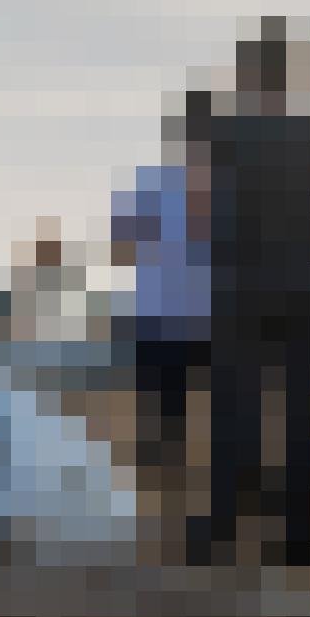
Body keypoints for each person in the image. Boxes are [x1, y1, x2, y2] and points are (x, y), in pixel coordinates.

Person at [194, 18, 310, 569]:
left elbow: (198, 208)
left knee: (233, 415)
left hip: (237, 285)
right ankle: (295, 539)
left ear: (245, 75)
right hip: (295, 282)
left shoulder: (222, 134)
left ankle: (221, 533)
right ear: (291, 75)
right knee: (297, 418)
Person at [111, 93, 215, 526]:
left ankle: (171, 509)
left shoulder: (152, 183)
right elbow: (122, 246)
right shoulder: (174, 184)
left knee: (171, 425)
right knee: (174, 424)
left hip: (178, 321)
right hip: (178, 322)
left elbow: (121, 247)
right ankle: (172, 509)